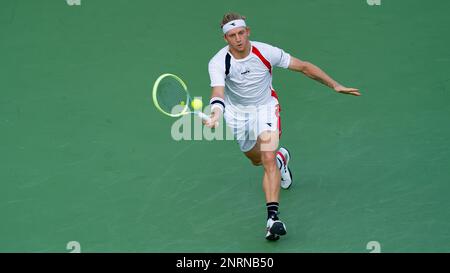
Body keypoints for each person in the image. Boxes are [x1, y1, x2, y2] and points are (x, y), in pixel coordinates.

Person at [205, 12, 360, 241]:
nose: (238, 39)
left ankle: (273, 219)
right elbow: (218, 93)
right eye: (232, 35)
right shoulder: (218, 62)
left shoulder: (266, 52)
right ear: (225, 39)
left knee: (266, 157)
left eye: (240, 33)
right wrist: (216, 114)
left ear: (247, 32)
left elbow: (304, 67)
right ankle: (281, 160)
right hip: (237, 114)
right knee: (256, 159)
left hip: (266, 107)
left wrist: (335, 85)